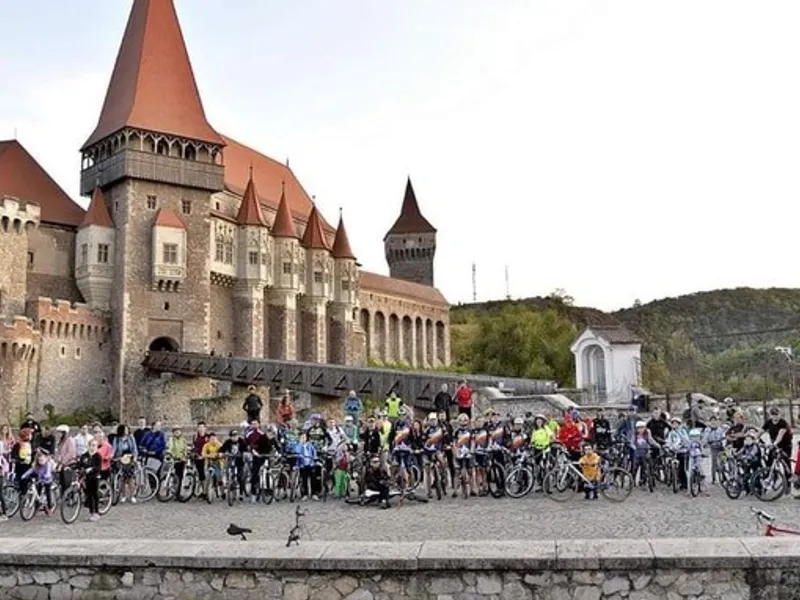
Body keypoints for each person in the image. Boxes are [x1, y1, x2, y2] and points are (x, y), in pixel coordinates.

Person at [22, 448, 56, 514]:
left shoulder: (47, 465)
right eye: (39, 460)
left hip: (47, 480)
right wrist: (24, 475)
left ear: (46, 459)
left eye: (42, 460)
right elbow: (31, 470)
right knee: (38, 490)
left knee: (47, 491)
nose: (40, 461)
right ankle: (37, 506)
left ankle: (50, 506)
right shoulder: (37, 465)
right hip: (40, 480)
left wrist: (44, 476)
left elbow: (48, 474)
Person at [113, 424, 139, 503]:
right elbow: (114, 449)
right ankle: (123, 495)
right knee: (122, 479)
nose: (126, 431)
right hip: (120, 459)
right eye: (125, 430)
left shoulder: (131, 438)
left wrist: (135, 458)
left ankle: (132, 495)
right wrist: (113, 457)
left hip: (130, 459)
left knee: (131, 478)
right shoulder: (116, 439)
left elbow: (134, 449)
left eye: (127, 429)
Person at [78, 438, 103, 521]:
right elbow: (79, 464)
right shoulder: (84, 456)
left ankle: (96, 512)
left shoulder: (98, 456)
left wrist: (91, 469)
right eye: (91, 445)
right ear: (88, 446)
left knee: (94, 494)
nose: (93, 447)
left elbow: (98, 467)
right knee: (89, 495)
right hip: (87, 477)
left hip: (94, 477)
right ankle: (91, 512)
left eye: (95, 446)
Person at [703, 415, 726, 484]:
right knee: (714, 462)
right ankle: (714, 478)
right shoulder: (707, 430)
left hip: (721, 447)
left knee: (723, 461)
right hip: (713, 447)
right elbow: (705, 438)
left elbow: (723, 436)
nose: (713, 423)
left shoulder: (720, 429)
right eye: (712, 421)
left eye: (715, 421)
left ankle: (724, 476)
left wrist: (723, 444)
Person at [297, 432, 318, 501]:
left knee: (313, 479)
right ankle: (305, 494)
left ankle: (314, 494)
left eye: (304, 438)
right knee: (304, 480)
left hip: (310, 463)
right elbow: (297, 452)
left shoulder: (310, 445)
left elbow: (314, 452)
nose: (303, 439)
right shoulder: (298, 446)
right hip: (303, 465)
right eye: (302, 438)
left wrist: (314, 457)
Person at [166, 427, 188, 492]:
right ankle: (170, 490)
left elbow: (185, 449)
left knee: (180, 476)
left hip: (181, 459)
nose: (177, 433)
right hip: (173, 459)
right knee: (172, 475)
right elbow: (170, 447)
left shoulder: (183, 440)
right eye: (175, 432)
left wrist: (184, 456)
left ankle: (178, 491)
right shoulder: (171, 439)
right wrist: (169, 454)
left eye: (178, 431)